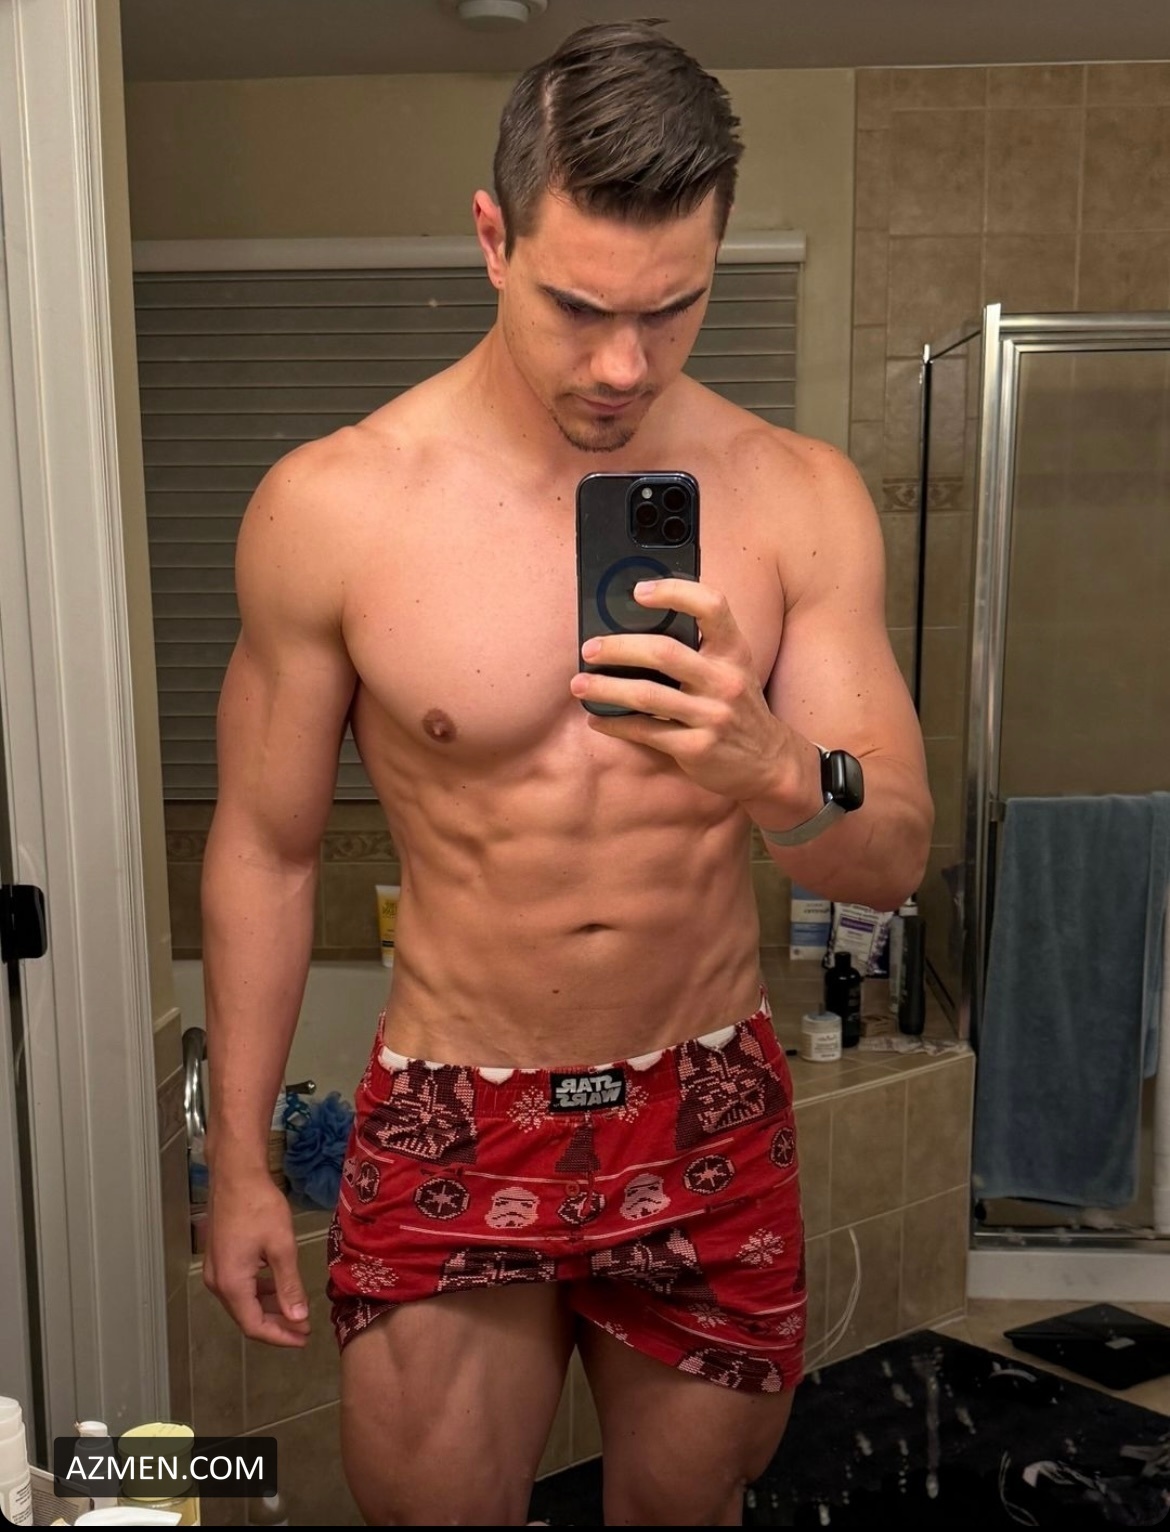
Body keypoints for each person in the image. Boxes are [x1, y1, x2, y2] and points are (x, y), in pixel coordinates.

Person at [200, 19, 932, 1527]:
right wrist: (241, 1164)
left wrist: (774, 765)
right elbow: (268, 852)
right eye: (578, 307)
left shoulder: (799, 499)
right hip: (455, 1103)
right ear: (493, 237)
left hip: (705, 1094)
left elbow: (893, 852)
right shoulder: (334, 508)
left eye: (673, 309)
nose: (621, 366)